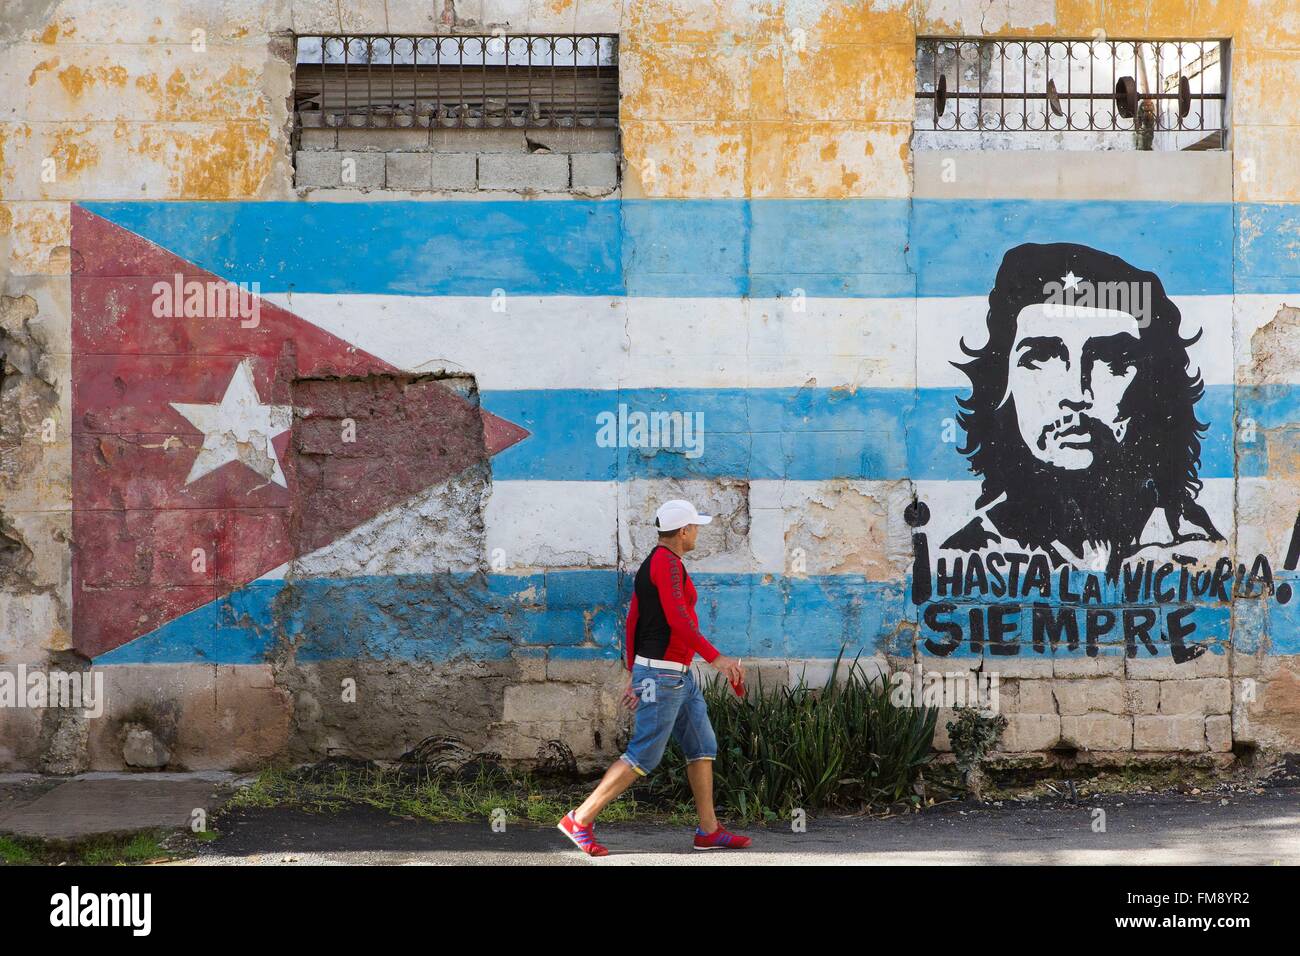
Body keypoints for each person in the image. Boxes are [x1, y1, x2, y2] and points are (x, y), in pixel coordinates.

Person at [943, 242, 1223, 576]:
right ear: (1001, 386)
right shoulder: (973, 554)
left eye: (1113, 361)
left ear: (1157, 389)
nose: (1077, 393)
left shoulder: (1192, 543)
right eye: (1041, 358)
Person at [557, 499, 751, 856]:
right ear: (683, 531)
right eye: (695, 527)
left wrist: (633, 672)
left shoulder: (655, 563)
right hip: (663, 676)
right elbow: (679, 621)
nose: (697, 534)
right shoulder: (667, 565)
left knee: (702, 747)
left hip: (675, 674)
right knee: (644, 755)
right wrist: (717, 659)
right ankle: (580, 819)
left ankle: (708, 830)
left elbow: (634, 619)